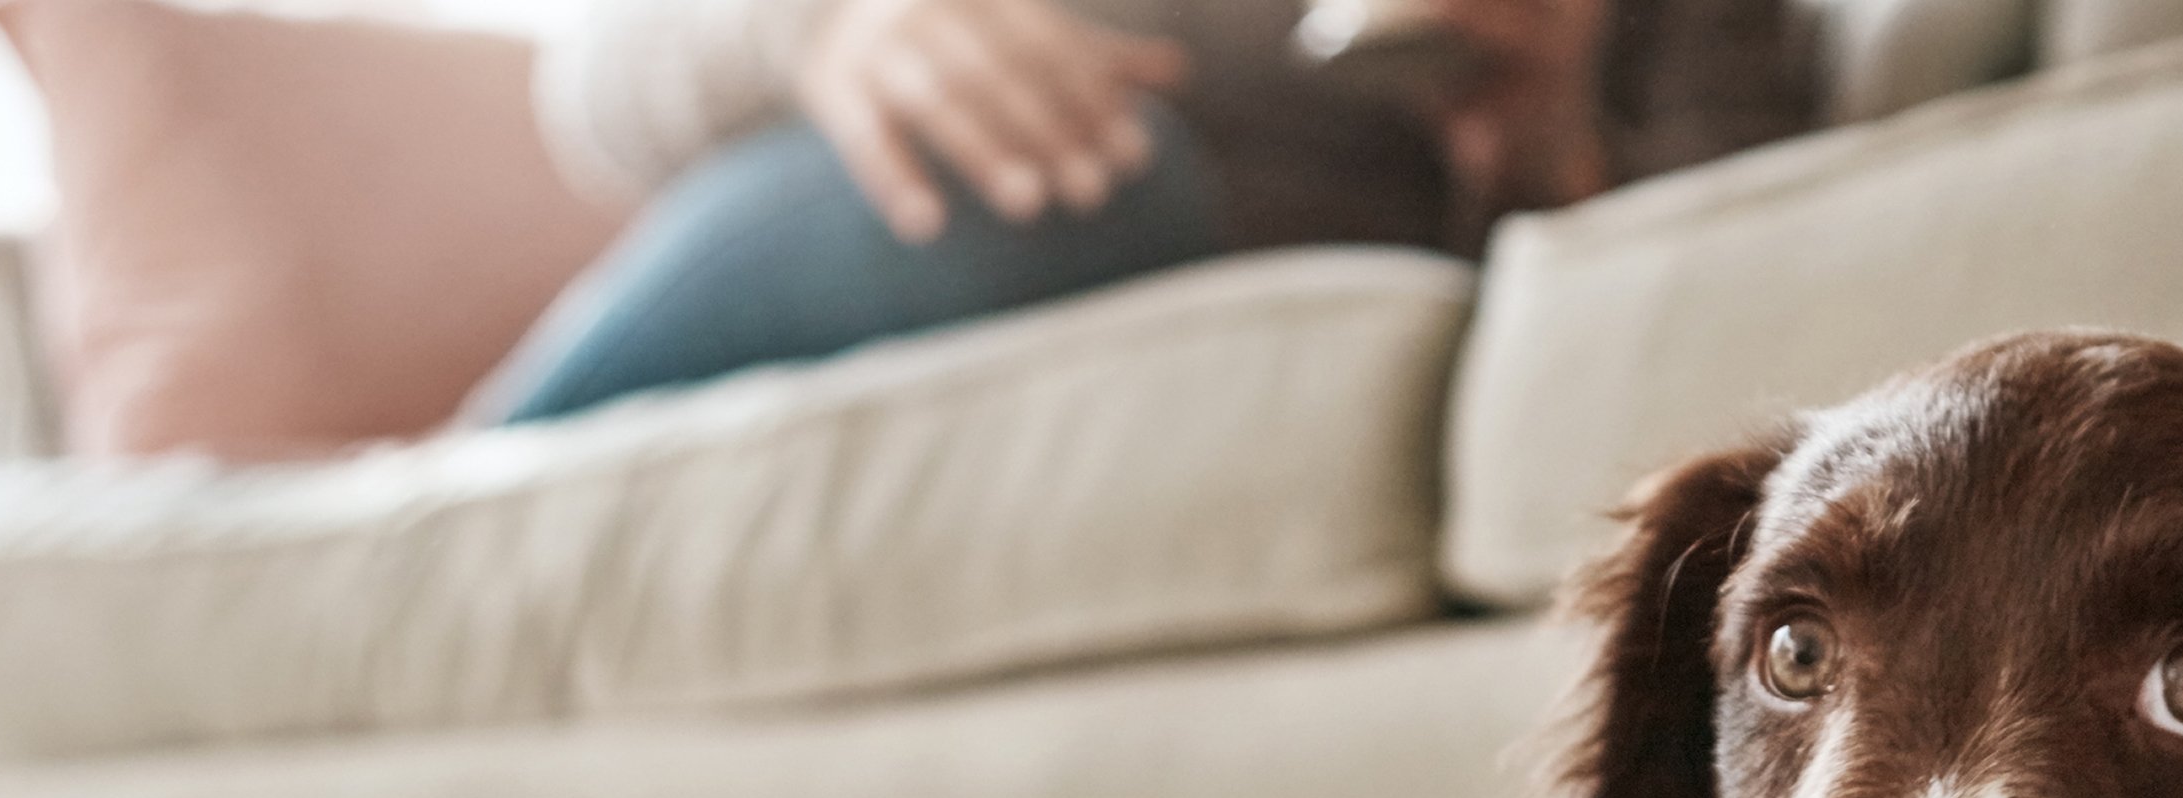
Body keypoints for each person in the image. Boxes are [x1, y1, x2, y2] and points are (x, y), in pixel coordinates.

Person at [479, 0, 1807, 421]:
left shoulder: (1692, 26)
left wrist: (1537, 122)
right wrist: (833, 24)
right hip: (930, 227)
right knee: (1064, 183)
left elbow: (1702, 358)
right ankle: (451, 485)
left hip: (1261, 308)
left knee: (1106, 192)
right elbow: (595, 93)